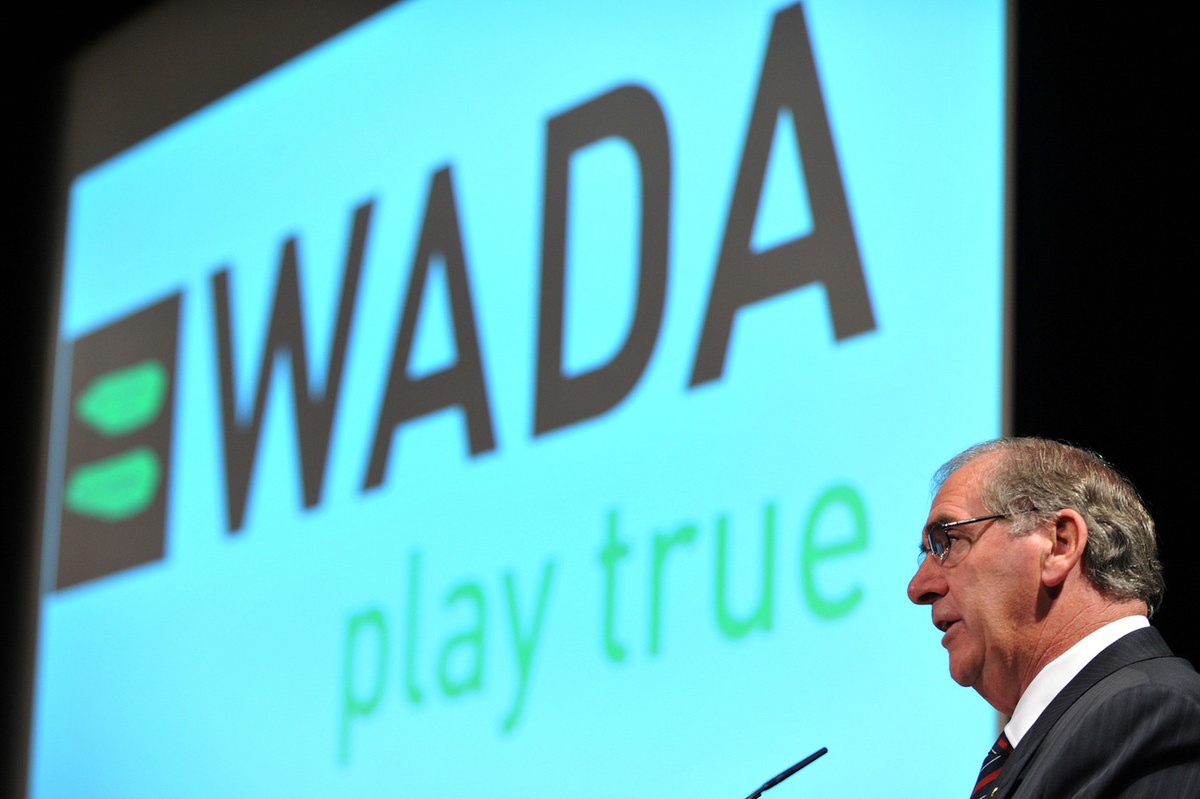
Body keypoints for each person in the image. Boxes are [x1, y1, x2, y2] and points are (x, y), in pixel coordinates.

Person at [907, 438, 1200, 798]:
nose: (918, 587)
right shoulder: (1067, 731)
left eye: (947, 542)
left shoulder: (1156, 713)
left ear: (1059, 545)